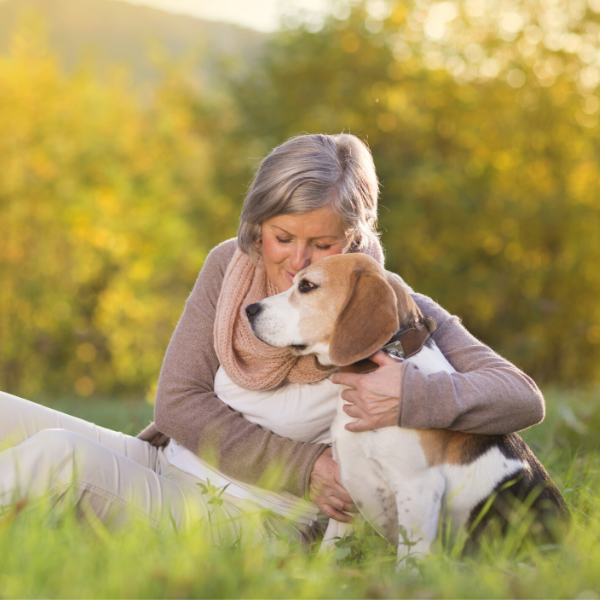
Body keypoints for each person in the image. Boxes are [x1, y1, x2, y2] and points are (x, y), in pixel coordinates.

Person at [0, 133, 545, 545]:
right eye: (283, 237)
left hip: (248, 514)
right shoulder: (229, 267)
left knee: (57, 455)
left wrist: (412, 395)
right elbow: (176, 401)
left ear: (355, 237)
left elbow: (521, 397)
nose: (297, 261)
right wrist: (305, 464)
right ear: (257, 223)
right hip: (167, 460)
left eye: (324, 244)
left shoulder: (386, 311)